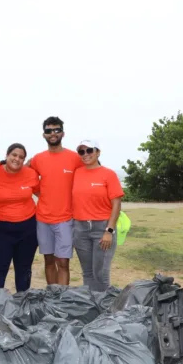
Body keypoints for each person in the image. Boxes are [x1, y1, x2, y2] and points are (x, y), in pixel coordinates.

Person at [29, 116, 83, 286]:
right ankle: (52, 299)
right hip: (43, 219)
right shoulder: (37, 159)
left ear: (63, 133)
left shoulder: (75, 158)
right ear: (43, 135)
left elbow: (87, 180)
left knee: (64, 263)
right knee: (49, 261)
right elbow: (24, 175)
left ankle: (63, 300)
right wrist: (41, 194)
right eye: (48, 131)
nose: (53, 133)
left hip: (66, 219)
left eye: (56, 130)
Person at [71, 140, 124, 292]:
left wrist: (109, 231)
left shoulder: (108, 174)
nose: (85, 154)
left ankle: (104, 308)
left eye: (89, 150)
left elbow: (117, 204)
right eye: (81, 152)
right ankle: (91, 307)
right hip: (80, 228)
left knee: (100, 273)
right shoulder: (77, 173)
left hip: (102, 228)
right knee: (87, 273)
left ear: (98, 152)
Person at [0, 144, 40, 291]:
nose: (17, 159)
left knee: (23, 268)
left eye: (21, 157)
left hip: (28, 229)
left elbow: (43, 194)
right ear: (7, 155)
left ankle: (22, 302)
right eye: (14, 155)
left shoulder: (30, 174)